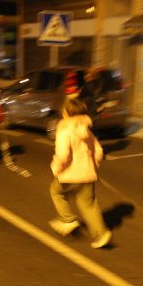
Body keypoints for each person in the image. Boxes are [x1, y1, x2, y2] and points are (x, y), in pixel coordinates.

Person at [48, 97, 112, 249]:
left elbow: (63, 155)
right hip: (87, 174)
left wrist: (56, 168)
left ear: (66, 113)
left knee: (55, 191)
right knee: (88, 205)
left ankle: (67, 220)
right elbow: (99, 151)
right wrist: (93, 165)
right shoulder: (87, 130)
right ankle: (102, 234)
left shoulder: (64, 130)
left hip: (70, 175)